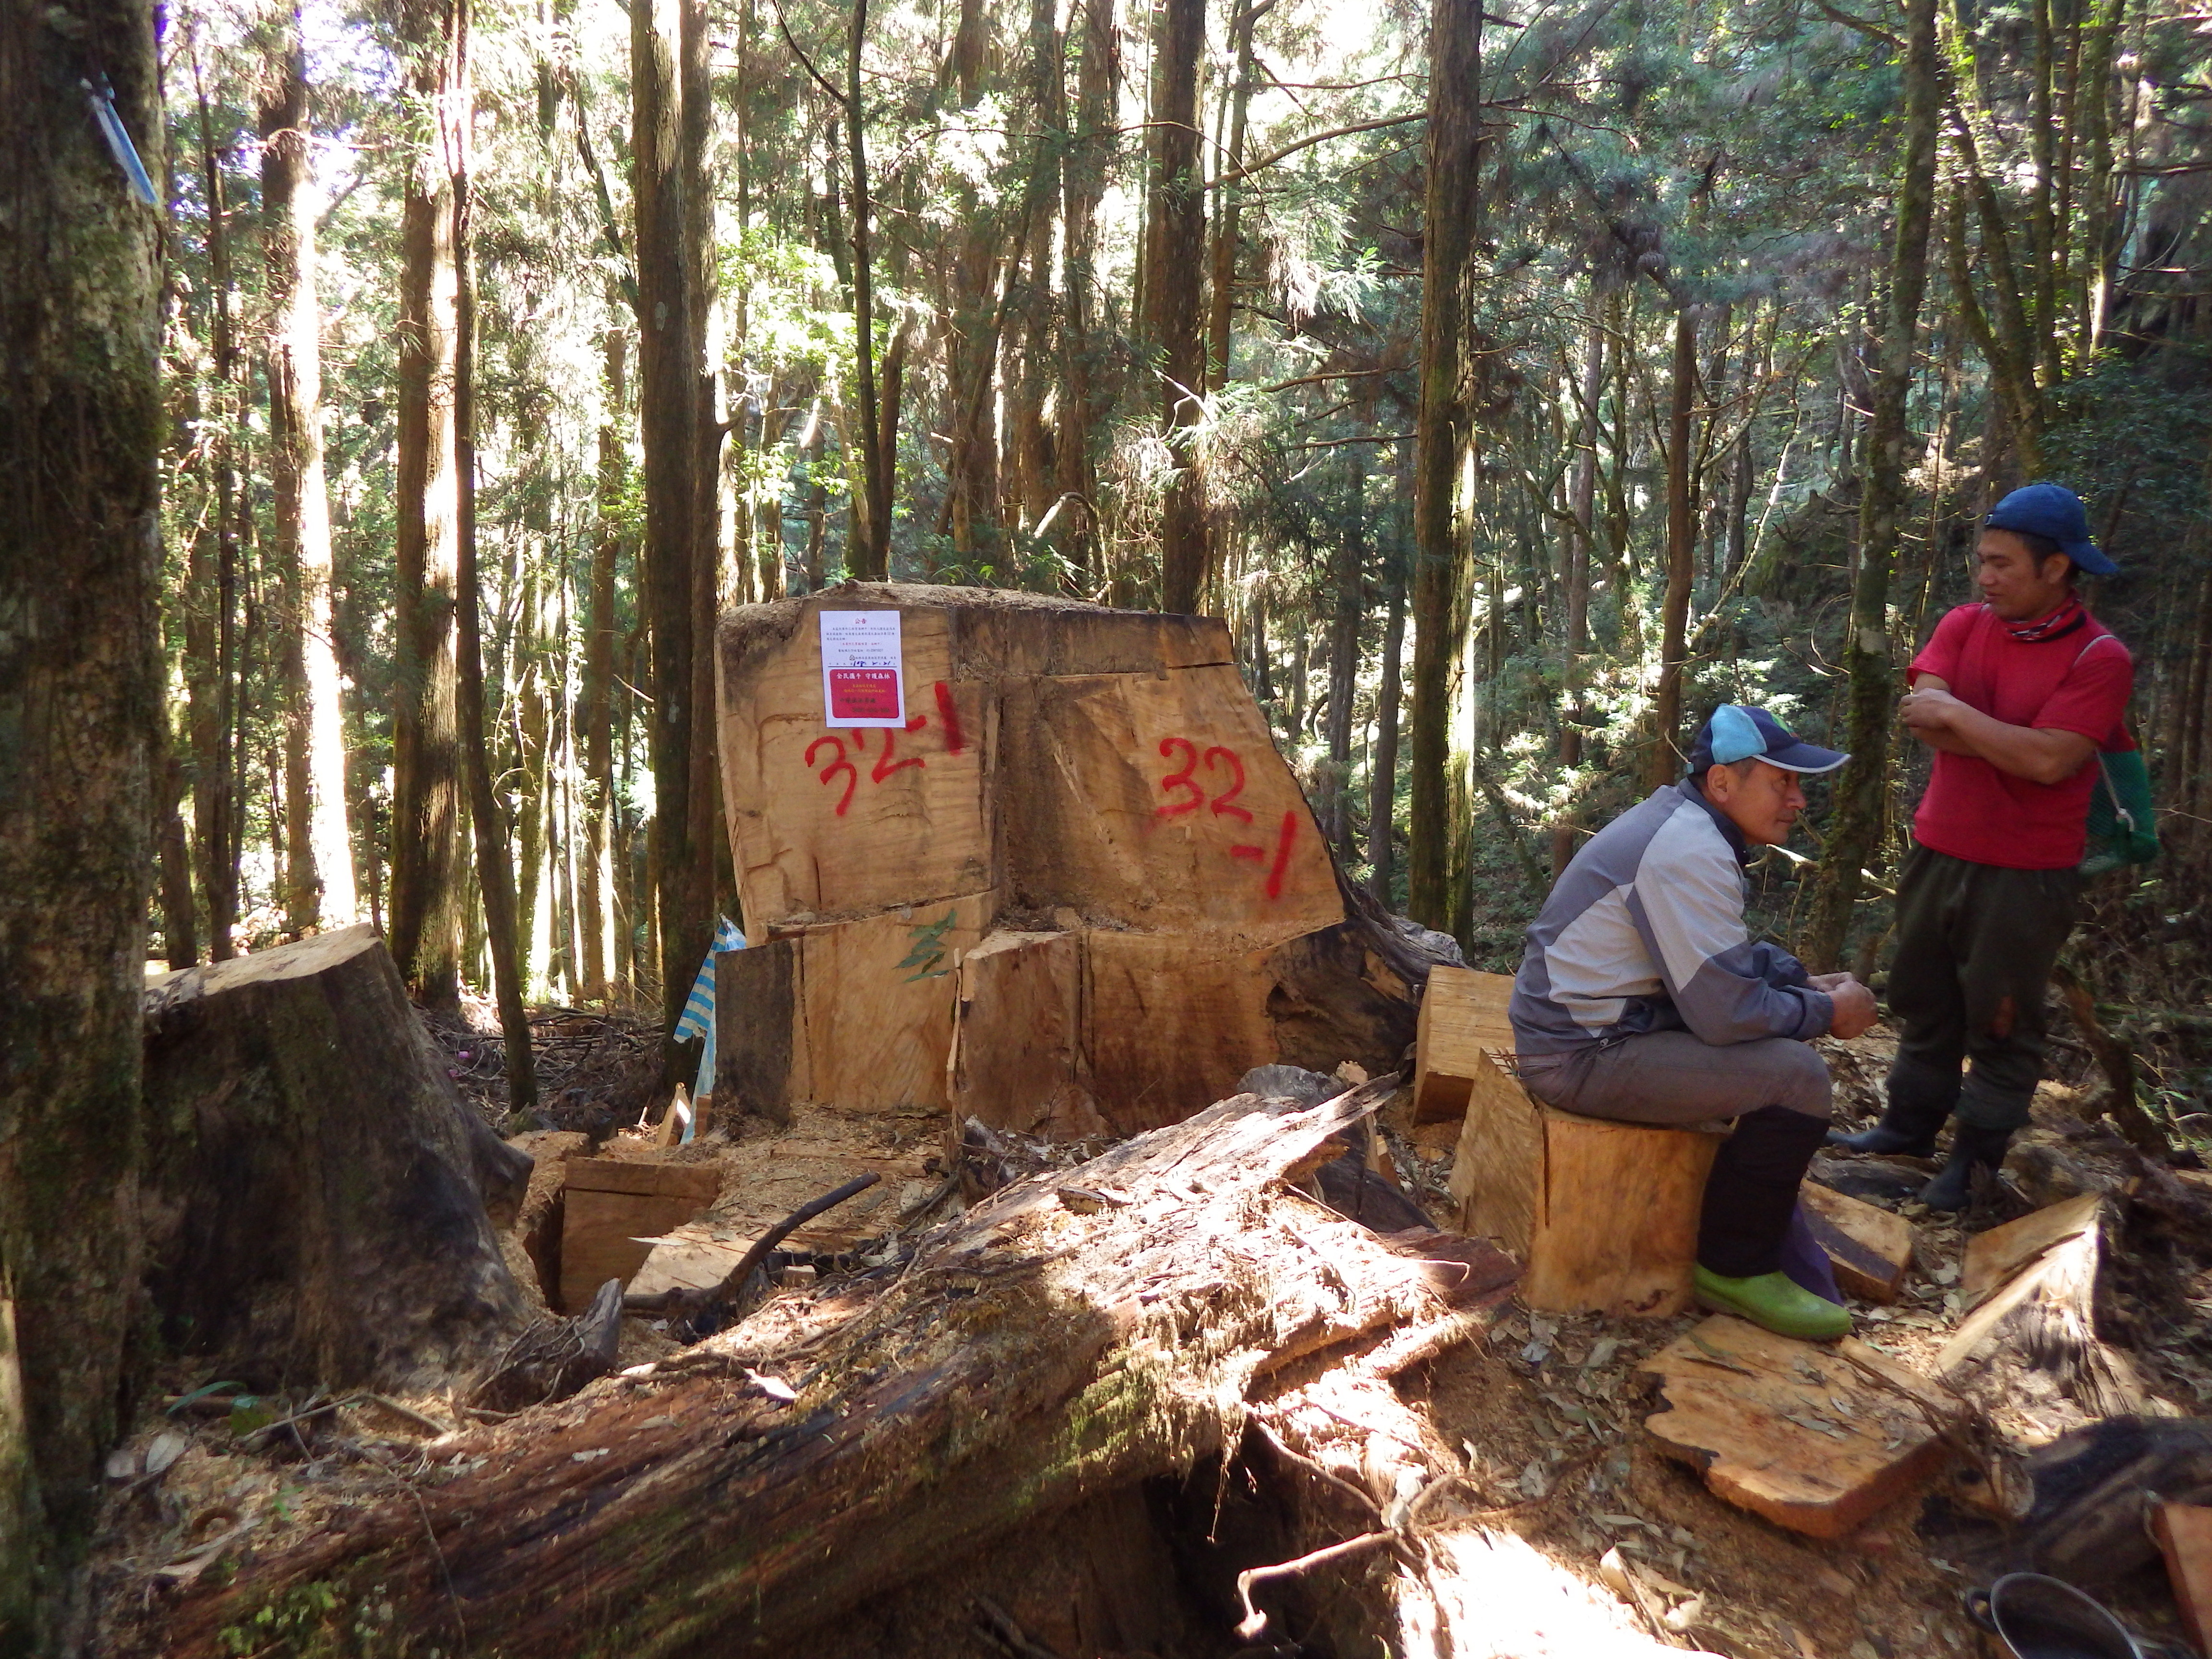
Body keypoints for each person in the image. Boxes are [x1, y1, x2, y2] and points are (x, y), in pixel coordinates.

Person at [1509, 704, 1881, 1341]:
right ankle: (1737, 1269)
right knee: (1797, 1077)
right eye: (1781, 782)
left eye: (1798, 784)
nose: (1797, 800)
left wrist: (1795, 980)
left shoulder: (1685, 825)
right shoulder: (1688, 848)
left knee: (1780, 1054)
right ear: (1722, 784)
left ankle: (1750, 1244)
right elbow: (1725, 1015)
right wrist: (1827, 1012)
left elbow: (1713, 958)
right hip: (1579, 1053)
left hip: (1600, 1026)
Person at [1831, 483, 2132, 1209]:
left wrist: (1962, 717)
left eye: (2002, 564)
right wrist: (1997, 734)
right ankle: (1905, 1130)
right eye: (1983, 561)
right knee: (1924, 1000)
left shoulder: (2099, 656)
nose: (1985, 576)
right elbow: (1921, 718)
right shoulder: (1966, 624)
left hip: (2029, 870)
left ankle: (1971, 1169)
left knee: (2001, 1020)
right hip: (1940, 845)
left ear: (2056, 567)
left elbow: (2052, 762)